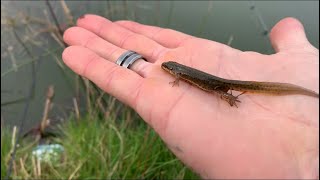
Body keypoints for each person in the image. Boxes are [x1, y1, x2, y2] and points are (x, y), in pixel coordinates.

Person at [62, 14, 319, 179]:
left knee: (226, 92)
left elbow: (183, 76)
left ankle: (233, 97)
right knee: (227, 89)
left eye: (170, 69)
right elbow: (179, 75)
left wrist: (227, 96)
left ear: (175, 70)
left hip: (221, 84)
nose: (169, 70)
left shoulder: (181, 74)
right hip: (217, 81)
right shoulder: (179, 73)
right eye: (171, 70)